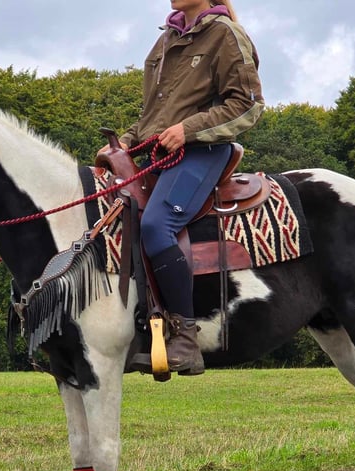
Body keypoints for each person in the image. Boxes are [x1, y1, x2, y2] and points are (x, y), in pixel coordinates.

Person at [105, 0, 264, 375]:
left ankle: (186, 339)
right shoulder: (165, 41)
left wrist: (188, 130)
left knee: (157, 226)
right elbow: (153, 116)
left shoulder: (225, 34)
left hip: (203, 152)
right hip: (158, 153)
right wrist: (126, 141)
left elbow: (248, 105)